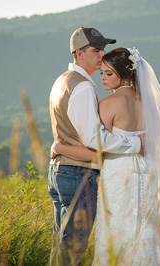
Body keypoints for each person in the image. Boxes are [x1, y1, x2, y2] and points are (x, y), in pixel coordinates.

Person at [53, 47, 160, 265]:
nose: (102, 78)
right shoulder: (147, 103)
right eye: (101, 72)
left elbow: (95, 149)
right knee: (145, 227)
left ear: (124, 73)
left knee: (116, 231)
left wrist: (59, 148)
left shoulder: (108, 104)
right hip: (147, 171)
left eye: (109, 73)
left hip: (120, 174)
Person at [48, 28, 143, 266]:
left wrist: (59, 148)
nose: (102, 54)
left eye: (103, 48)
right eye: (96, 49)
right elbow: (95, 140)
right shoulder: (82, 86)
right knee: (72, 249)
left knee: (62, 246)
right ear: (79, 53)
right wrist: (134, 143)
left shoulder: (63, 80)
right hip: (79, 173)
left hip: (62, 171)